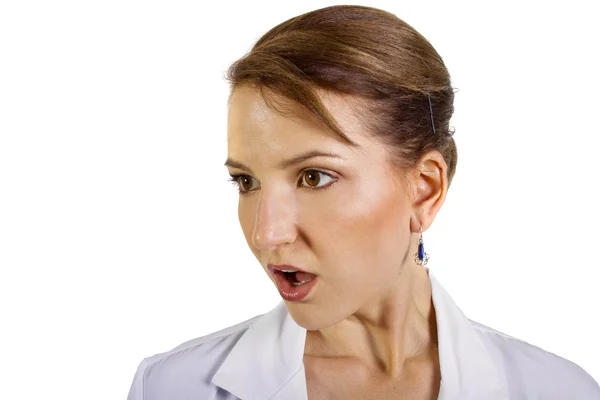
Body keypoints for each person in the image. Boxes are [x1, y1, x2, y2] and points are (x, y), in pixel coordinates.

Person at [126, 5, 600, 399]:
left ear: (425, 189)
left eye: (314, 177)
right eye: (246, 182)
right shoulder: (172, 387)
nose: (265, 233)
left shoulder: (559, 391)